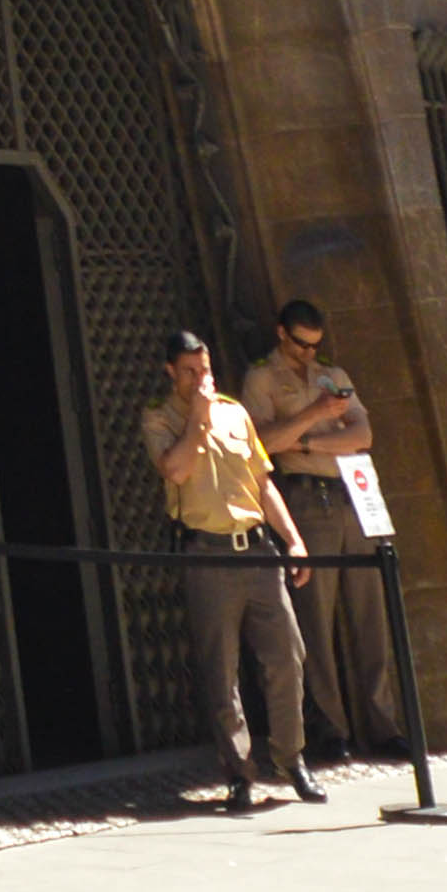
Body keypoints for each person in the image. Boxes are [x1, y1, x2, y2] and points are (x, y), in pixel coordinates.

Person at [140, 323, 320, 814]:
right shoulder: (160, 417)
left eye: (206, 370)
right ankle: (239, 772)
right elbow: (175, 470)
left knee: (287, 654)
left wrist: (293, 539)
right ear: (171, 372)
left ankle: (291, 758)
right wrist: (198, 420)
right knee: (221, 669)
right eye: (190, 372)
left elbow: (262, 483)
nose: (201, 380)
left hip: (258, 550)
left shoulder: (235, 413)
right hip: (208, 553)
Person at [242, 299, 402, 762]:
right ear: (281, 333)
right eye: (300, 345)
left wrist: (307, 441)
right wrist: (314, 413)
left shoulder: (334, 373)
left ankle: (384, 724)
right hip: (308, 498)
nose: (309, 354)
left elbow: (362, 436)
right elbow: (265, 444)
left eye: (315, 345)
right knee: (315, 616)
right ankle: (330, 728)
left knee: (371, 613)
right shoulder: (262, 379)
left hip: (353, 492)